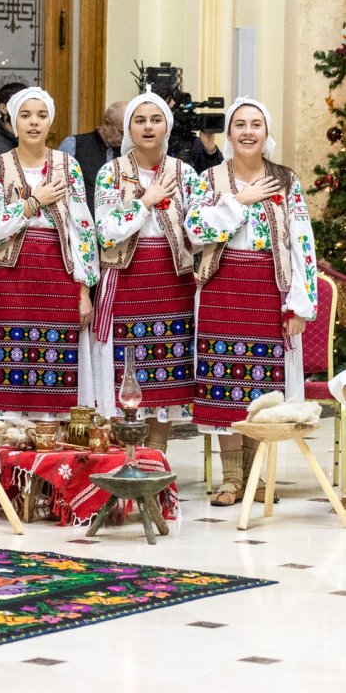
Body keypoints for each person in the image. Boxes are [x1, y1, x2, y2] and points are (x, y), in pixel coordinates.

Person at [186, 97, 316, 506]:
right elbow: (194, 229)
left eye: (255, 124)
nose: (247, 131)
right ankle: (230, 480)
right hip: (222, 289)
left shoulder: (285, 180)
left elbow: (302, 245)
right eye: (239, 124)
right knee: (224, 384)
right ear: (229, 133)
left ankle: (258, 478)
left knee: (262, 384)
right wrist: (238, 202)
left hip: (268, 289)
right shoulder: (210, 180)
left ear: (266, 133)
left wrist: (299, 303)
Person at [0, 87, 100, 420]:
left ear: (51, 122)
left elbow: (83, 230)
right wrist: (32, 202)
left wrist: (85, 291)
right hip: (12, 279)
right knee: (12, 362)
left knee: (57, 362)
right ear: (13, 120)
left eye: (41, 115)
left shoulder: (68, 166)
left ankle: (52, 458)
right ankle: (12, 453)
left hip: (58, 276)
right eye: (26, 115)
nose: (34, 122)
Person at [91, 92, 199, 449]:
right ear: (128, 127)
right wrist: (145, 202)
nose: (148, 126)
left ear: (166, 125)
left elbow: (199, 232)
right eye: (140, 120)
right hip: (126, 280)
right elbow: (105, 233)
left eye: (156, 119)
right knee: (127, 370)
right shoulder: (111, 172)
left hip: (172, 282)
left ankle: (156, 460)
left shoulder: (184, 173)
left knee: (166, 374)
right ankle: (126, 459)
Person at [58, 101, 126, 216]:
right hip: (81, 224)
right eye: (121, 133)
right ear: (106, 123)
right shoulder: (74, 144)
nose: (124, 139)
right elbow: (57, 186)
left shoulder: (127, 152)